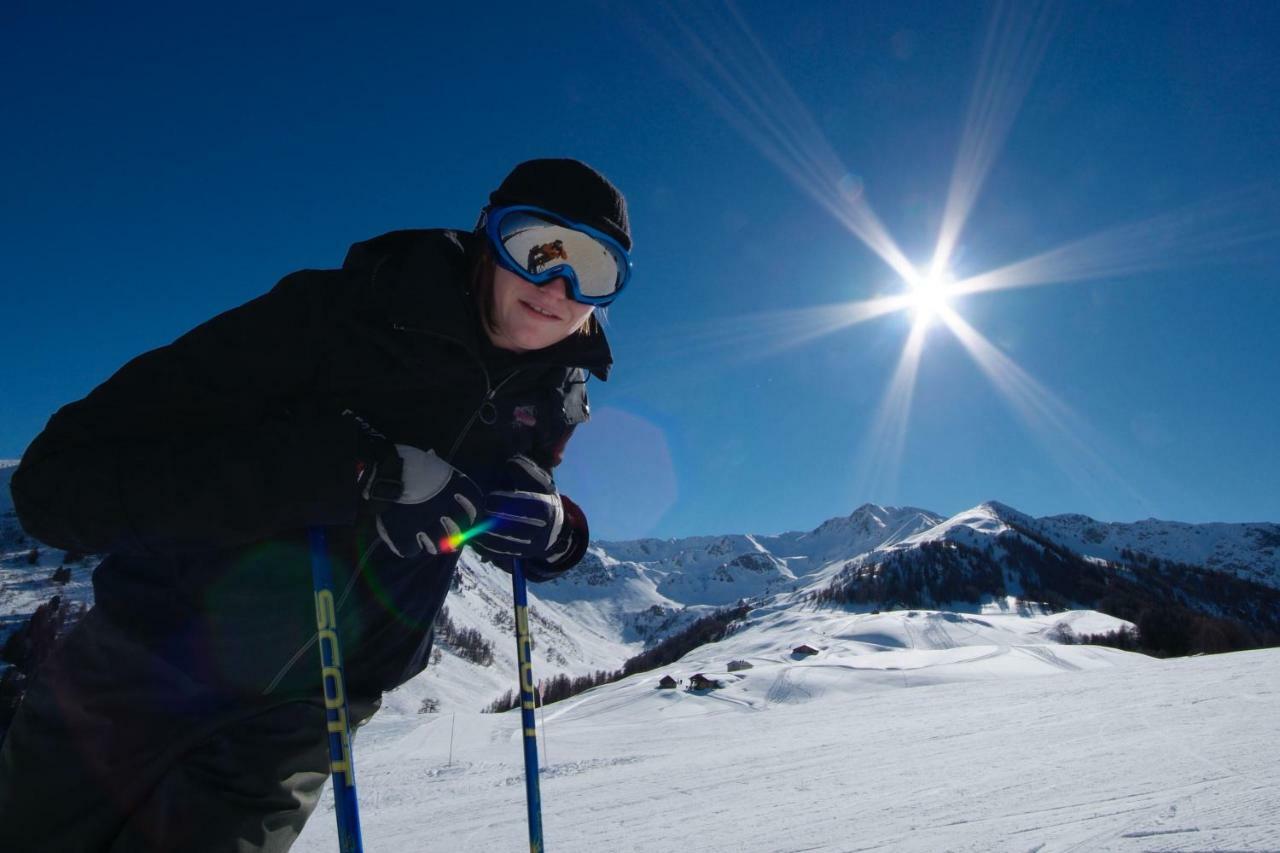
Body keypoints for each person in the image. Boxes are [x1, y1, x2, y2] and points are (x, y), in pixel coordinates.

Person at [0, 157, 631, 852]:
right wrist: (352, 468)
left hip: (303, 717)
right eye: (537, 248)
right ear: (487, 235)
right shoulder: (333, 318)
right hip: (140, 672)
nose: (558, 289)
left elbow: (512, 493)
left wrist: (554, 529)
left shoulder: (552, 393)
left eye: (594, 271)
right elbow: (55, 485)